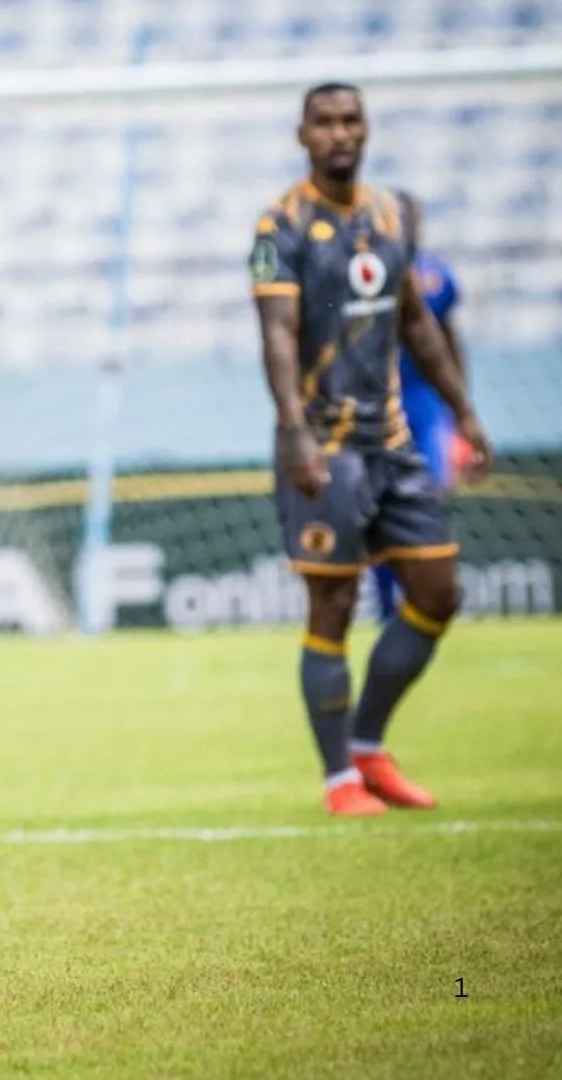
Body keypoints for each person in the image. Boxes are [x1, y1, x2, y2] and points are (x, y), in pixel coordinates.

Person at [249, 86, 492, 816]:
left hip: (393, 444)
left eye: (351, 120)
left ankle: (368, 747)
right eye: (325, 122)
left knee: (438, 592)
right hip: (324, 448)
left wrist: (463, 412)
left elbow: (418, 323)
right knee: (335, 600)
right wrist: (294, 429)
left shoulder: (393, 216)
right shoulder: (280, 224)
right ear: (302, 134)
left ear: (366, 129)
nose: (340, 133)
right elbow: (278, 333)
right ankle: (337, 782)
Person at [371, 190, 470, 622]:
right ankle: (386, 611)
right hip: (374, 410)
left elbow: (447, 341)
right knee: (374, 516)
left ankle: (419, 606)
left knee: (424, 508)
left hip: (425, 407)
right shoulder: (365, 273)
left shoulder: (435, 277)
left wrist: (461, 413)